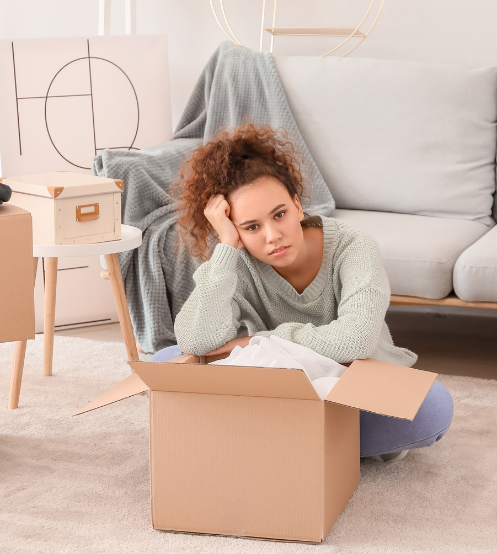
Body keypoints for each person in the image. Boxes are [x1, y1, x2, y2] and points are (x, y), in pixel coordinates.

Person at [151, 124, 453, 462]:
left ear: (297, 206)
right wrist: (225, 248)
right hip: (280, 384)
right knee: (165, 362)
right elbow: (197, 341)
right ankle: (305, 444)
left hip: (354, 377)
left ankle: (260, 440)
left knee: (432, 408)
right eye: (251, 227)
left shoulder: (354, 247)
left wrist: (255, 341)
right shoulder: (235, 260)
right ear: (234, 230)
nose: (272, 236)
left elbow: (356, 341)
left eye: (279, 215)